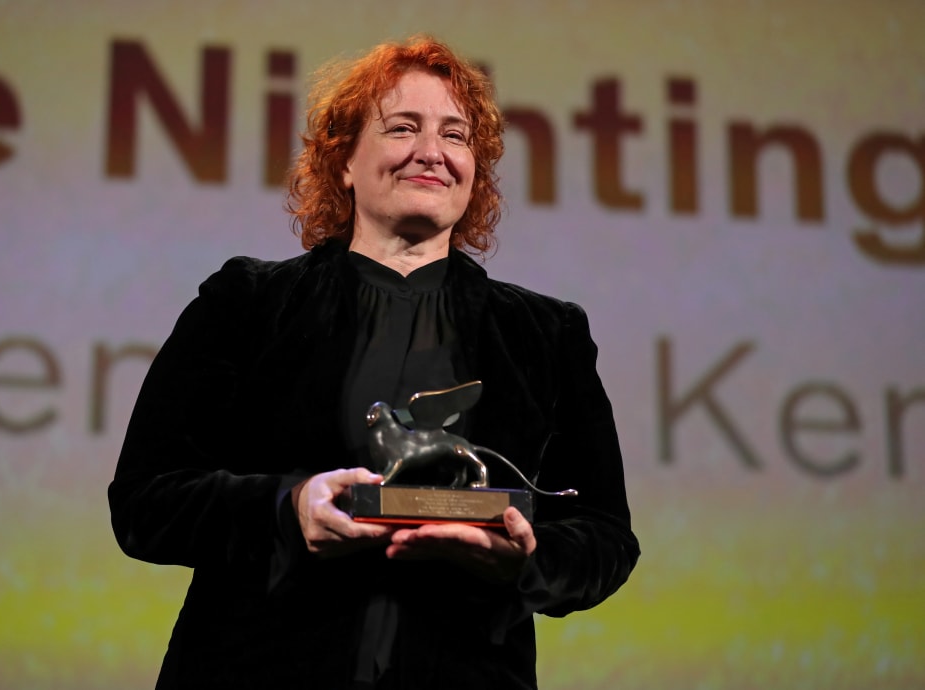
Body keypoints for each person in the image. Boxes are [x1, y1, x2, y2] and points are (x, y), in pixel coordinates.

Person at [109, 35, 639, 690]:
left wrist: (525, 561)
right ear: (343, 163)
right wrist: (287, 507)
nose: (431, 153)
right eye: (402, 129)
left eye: (455, 135)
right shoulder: (247, 303)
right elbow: (144, 501)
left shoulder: (546, 333)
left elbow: (606, 536)